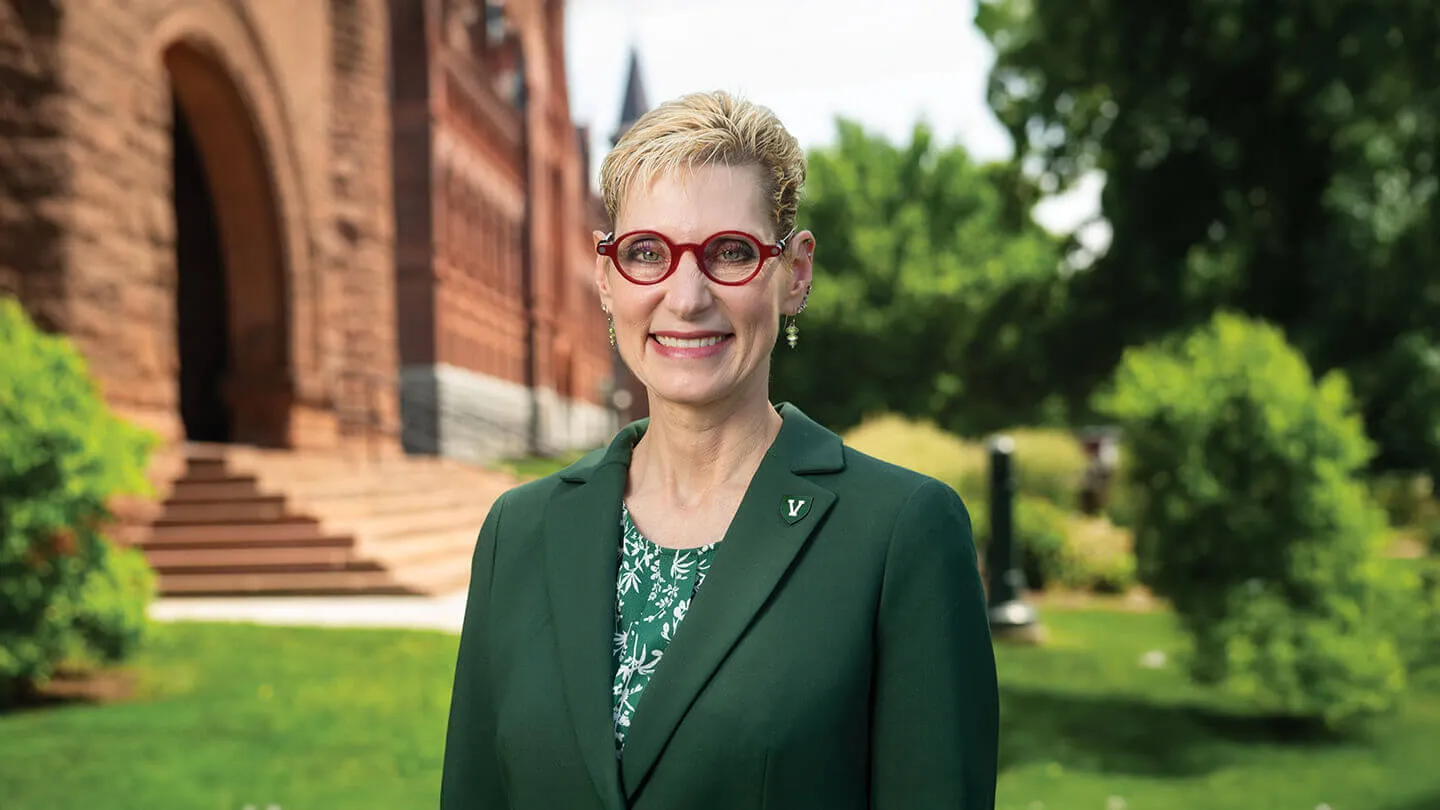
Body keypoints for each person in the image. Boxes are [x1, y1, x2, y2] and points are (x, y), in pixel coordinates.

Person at [440, 90, 999, 810]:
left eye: (729, 253)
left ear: (793, 275)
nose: (686, 295)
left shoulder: (901, 534)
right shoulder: (517, 534)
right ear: (607, 279)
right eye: (648, 253)